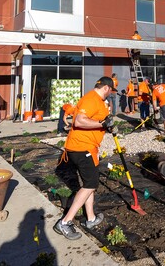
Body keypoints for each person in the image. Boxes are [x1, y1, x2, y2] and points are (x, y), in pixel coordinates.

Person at [54, 76, 117, 240]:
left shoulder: (95, 100)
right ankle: (65, 222)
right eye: (111, 91)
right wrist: (102, 124)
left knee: (89, 183)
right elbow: (80, 121)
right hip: (82, 148)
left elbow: (93, 121)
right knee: (90, 184)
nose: (111, 94)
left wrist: (106, 125)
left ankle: (90, 218)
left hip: (86, 147)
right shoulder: (92, 99)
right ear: (106, 88)